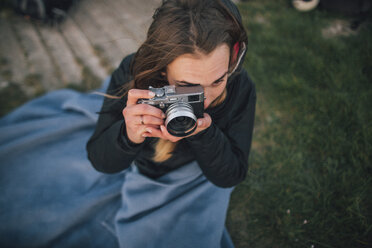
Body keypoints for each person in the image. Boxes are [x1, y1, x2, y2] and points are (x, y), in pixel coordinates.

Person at [0, 0, 255, 247]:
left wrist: (204, 131)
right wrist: (127, 135)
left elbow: (230, 174)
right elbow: (101, 160)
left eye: (218, 80)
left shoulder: (240, 88)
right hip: (144, 165)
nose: (206, 99)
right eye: (188, 88)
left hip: (197, 170)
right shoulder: (135, 74)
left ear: (233, 58)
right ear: (162, 69)